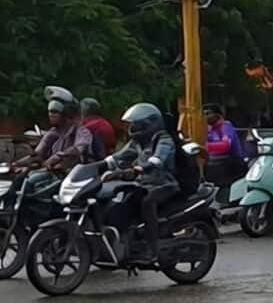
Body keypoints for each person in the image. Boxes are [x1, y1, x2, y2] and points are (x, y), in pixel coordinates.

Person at [107, 103, 182, 266]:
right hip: (143, 184)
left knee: (148, 202)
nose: (133, 128)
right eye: (132, 124)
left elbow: (158, 160)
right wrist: (99, 166)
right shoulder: (137, 142)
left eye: (137, 124)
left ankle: (152, 248)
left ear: (149, 124)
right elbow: (118, 157)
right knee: (123, 200)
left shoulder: (163, 139)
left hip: (164, 184)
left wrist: (140, 168)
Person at [22, 87, 93, 193]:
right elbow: (38, 152)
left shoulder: (81, 132)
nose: (51, 115)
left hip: (73, 177)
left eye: (55, 112)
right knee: (22, 178)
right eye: (50, 111)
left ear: (66, 114)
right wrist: (16, 164)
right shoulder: (53, 132)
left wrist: (57, 157)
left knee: (32, 181)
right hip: (53, 173)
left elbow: (79, 148)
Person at [203, 103, 244, 187]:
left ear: (218, 115)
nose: (205, 117)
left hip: (233, 165)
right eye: (203, 114)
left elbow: (226, 146)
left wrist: (205, 146)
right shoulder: (210, 129)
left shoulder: (226, 126)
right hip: (220, 163)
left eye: (208, 113)